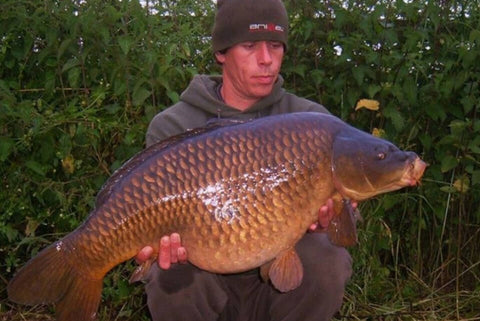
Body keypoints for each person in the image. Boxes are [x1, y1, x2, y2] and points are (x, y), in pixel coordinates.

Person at [136, 0, 353, 320]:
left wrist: (328, 222)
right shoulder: (173, 126)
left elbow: (344, 222)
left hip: (281, 287)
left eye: (275, 46)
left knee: (328, 259)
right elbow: (141, 214)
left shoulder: (310, 122)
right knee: (168, 275)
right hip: (205, 278)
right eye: (250, 46)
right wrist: (150, 246)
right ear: (221, 52)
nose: (266, 60)